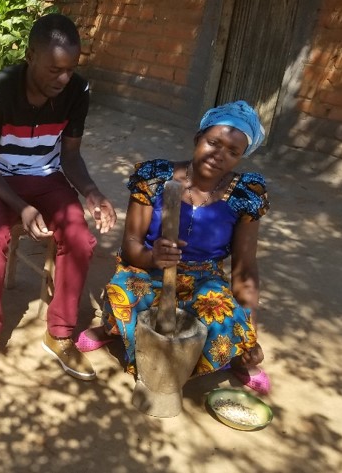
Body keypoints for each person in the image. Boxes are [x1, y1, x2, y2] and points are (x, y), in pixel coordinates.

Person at [76, 101, 271, 394]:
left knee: (223, 318)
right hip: (147, 266)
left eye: (233, 152)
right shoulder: (154, 179)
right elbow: (130, 246)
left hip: (204, 277)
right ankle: (113, 329)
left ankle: (237, 354)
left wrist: (249, 330)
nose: (219, 156)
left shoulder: (245, 195)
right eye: (213, 143)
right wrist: (153, 257)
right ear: (198, 138)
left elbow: (245, 268)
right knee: (125, 293)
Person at [0, 13, 117, 380]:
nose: (63, 79)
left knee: (80, 238)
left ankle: (60, 333)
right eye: (54, 69)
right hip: (0, 181)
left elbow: (70, 156)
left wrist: (93, 192)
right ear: (31, 55)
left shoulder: (77, 92)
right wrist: (22, 207)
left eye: (70, 69)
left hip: (49, 179)